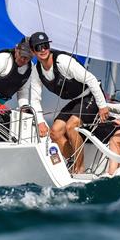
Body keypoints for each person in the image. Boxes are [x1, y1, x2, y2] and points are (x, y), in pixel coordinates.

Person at [26, 32, 108, 173]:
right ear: (33, 52)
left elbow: (91, 80)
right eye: (38, 47)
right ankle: (73, 162)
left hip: (90, 96)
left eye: (45, 45)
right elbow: (34, 98)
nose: (43, 50)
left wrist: (102, 106)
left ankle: (79, 169)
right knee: (55, 132)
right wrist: (40, 121)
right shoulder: (37, 71)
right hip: (76, 100)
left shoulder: (62, 61)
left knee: (71, 126)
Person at [0, 37, 43, 140]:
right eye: (21, 55)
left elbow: (23, 92)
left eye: (27, 58)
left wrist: (24, 108)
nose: (23, 60)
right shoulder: (2, 59)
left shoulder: (30, 68)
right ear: (16, 49)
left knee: (5, 134)